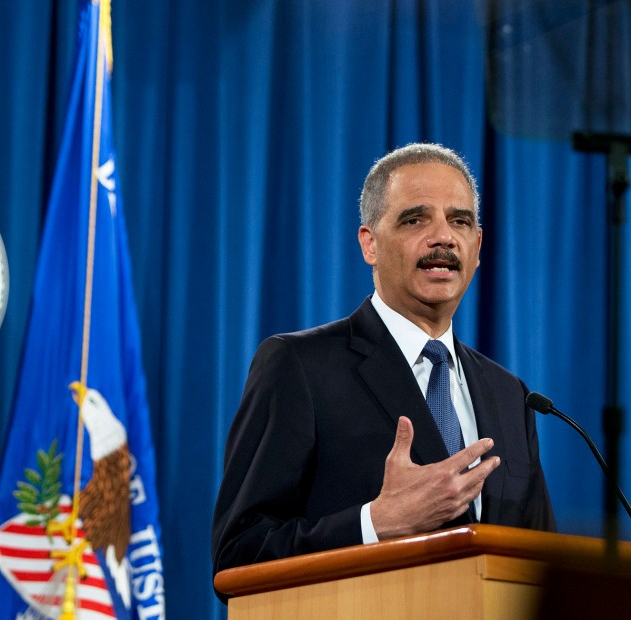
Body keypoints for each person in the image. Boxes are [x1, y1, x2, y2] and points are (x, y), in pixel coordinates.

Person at [211, 143, 555, 584]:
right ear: (369, 244)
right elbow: (239, 554)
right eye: (415, 219)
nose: (443, 237)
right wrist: (374, 523)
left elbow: (542, 567)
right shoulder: (298, 367)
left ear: (477, 244)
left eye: (460, 221)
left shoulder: (512, 395)